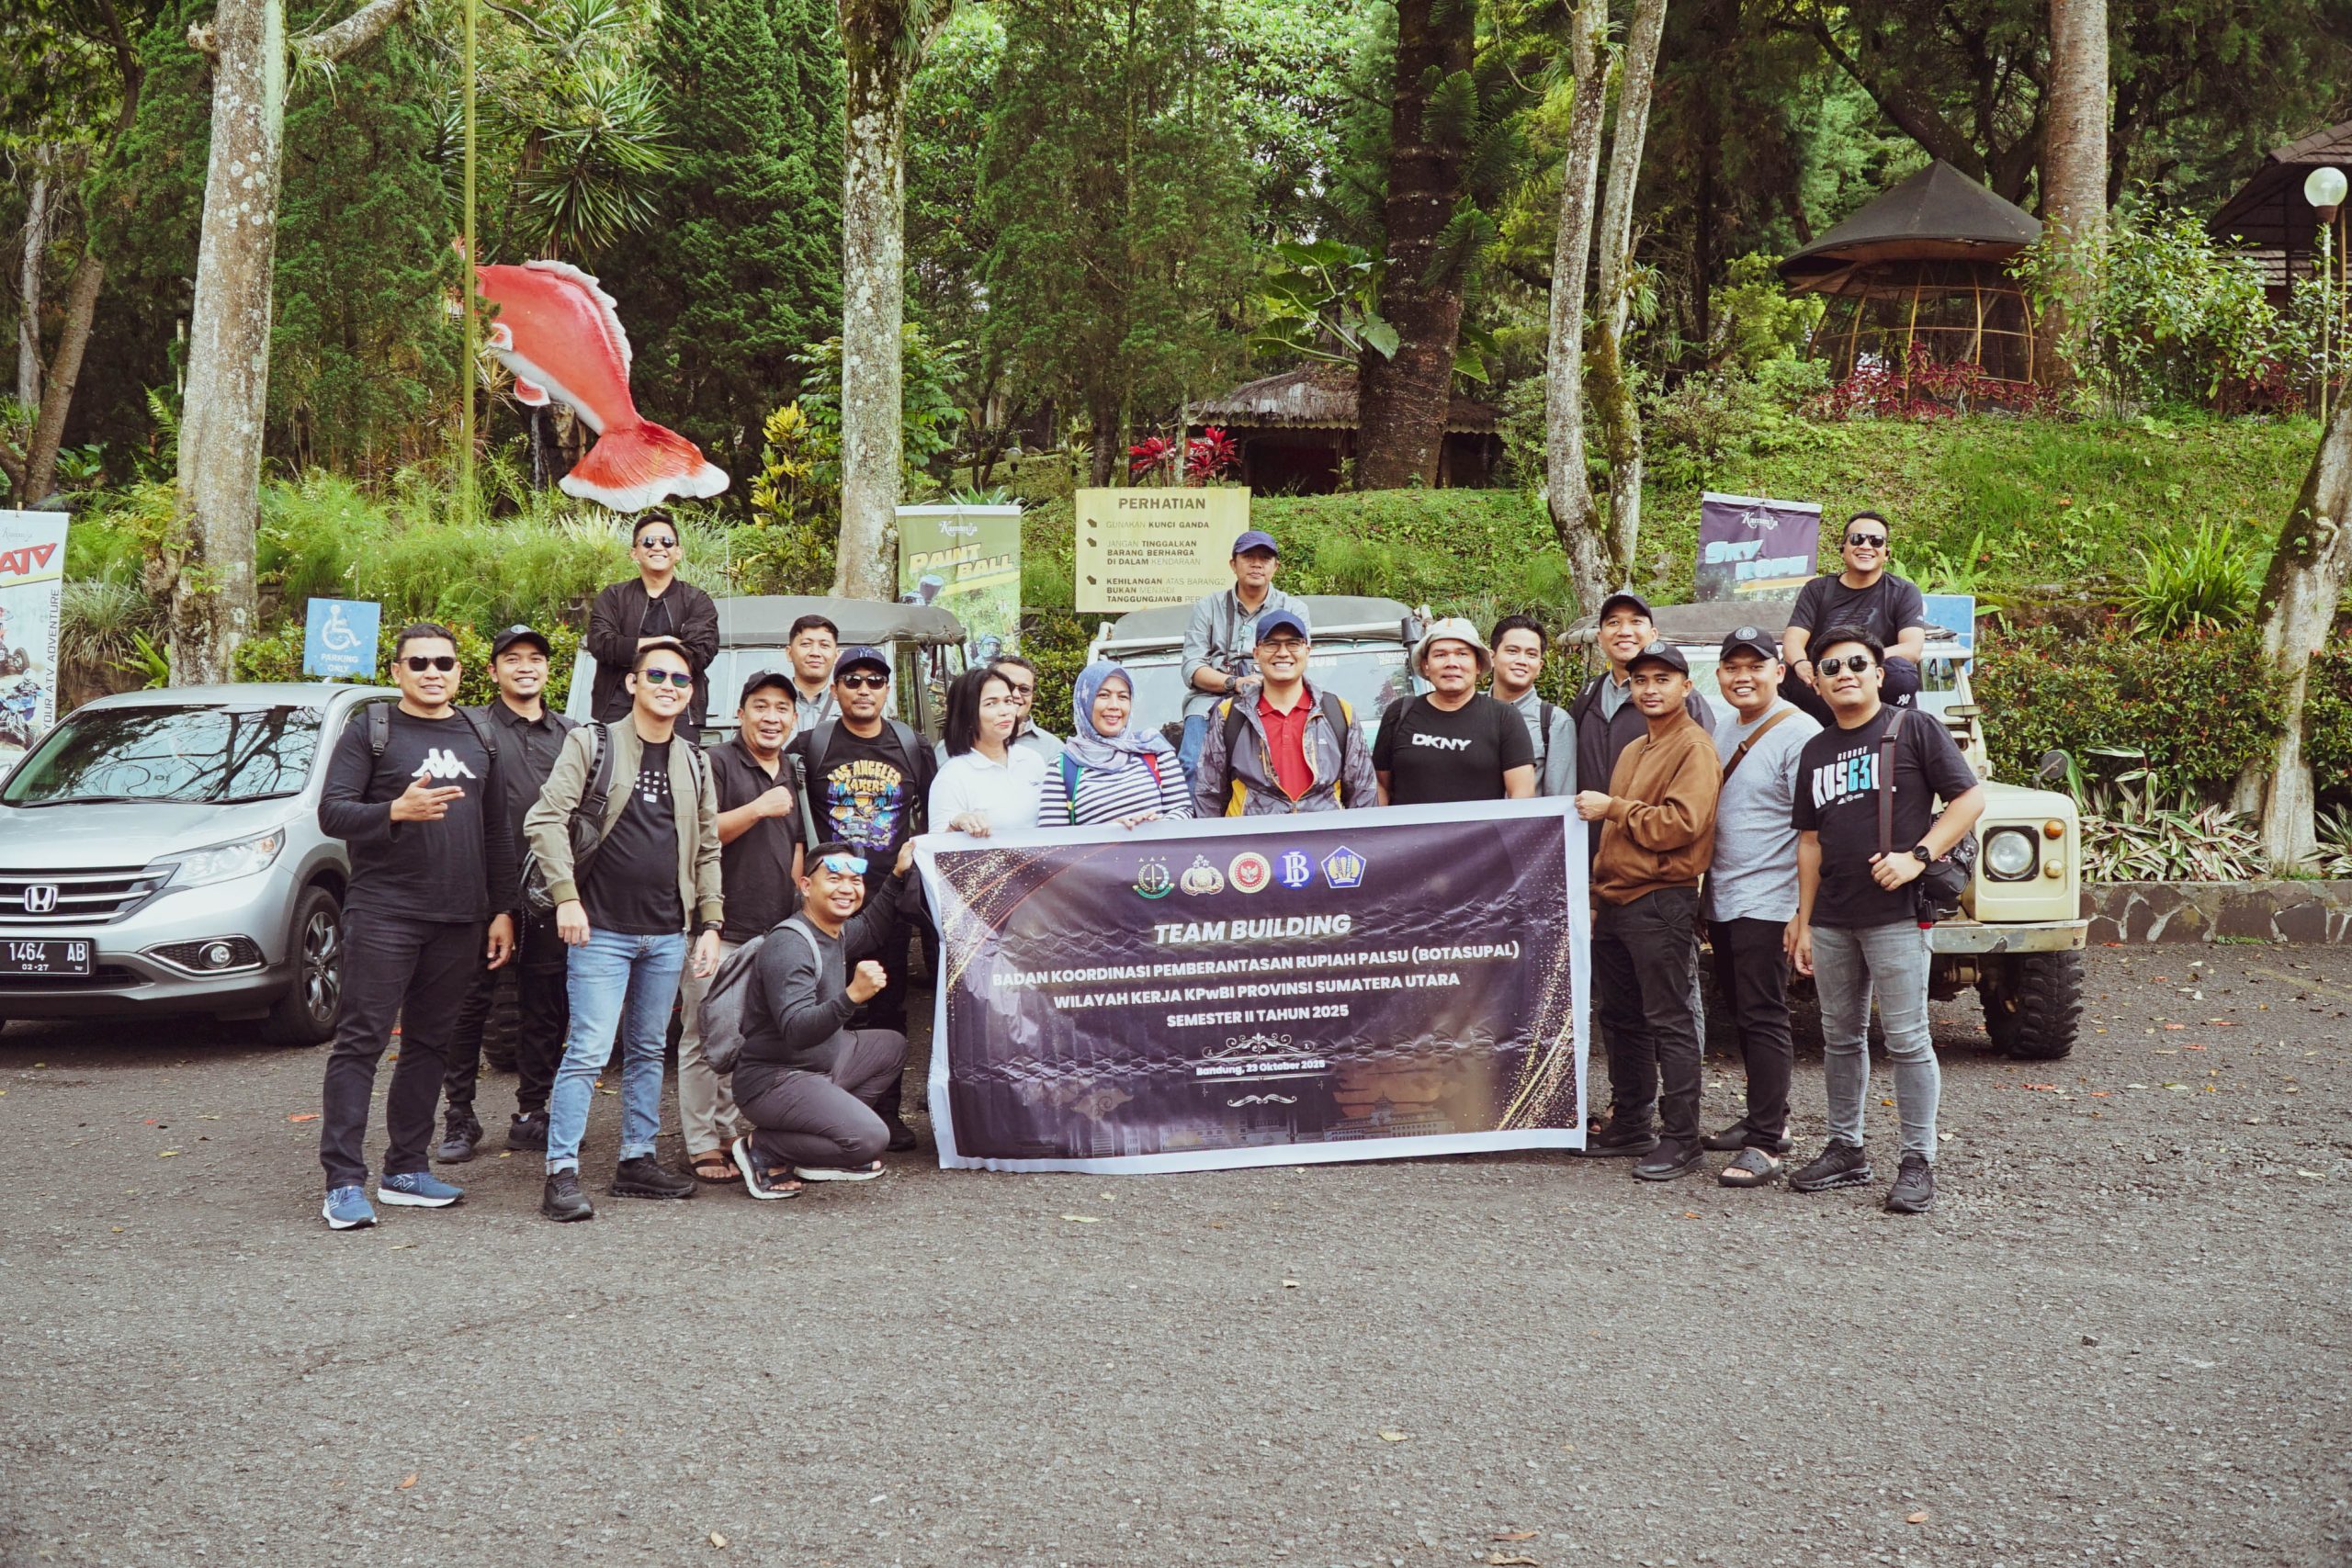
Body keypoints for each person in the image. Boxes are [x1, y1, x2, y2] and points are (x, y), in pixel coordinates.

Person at [315, 624, 516, 1229]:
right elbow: (332, 812)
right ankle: (343, 1181)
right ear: (397, 671)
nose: (433, 672)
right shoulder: (371, 730)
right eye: (419, 662)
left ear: (460, 672)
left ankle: (405, 1169)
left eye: (444, 663)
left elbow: (497, 832)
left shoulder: (481, 734)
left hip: (459, 917)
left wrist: (502, 910)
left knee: (430, 1044)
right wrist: (395, 811)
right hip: (385, 912)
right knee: (361, 1042)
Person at [1787, 625, 1985, 1215]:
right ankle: (1846, 1148)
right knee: (1840, 1037)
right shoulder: (1816, 751)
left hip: (1897, 913)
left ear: (1878, 674)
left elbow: (1969, 799)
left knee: (1907, 1039)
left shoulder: (1914, 727)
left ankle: (1917, 1160)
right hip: (1832, 917)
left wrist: (1918, 856)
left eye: (1856, 663)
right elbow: (1810, 842)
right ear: (1817, 683)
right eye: (1830, 667)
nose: (1843, 673)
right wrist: (1803, 919)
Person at [526, 637, 725, 1223]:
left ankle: (636, 1160)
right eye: (656, 675)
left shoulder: (696, 760)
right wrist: (567, 898)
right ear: (632, 683)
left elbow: (708, 848)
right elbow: (545, 819)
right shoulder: (593, 743)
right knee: (588, 1051)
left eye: (680, 680)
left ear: (691, 693)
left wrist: (710, 923)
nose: (668, 687)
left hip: (666, 933)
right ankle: (561, 1172)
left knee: (647, 1050)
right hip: (601, 930)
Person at [1573, 640, 1721, 1182]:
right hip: (1616, 899)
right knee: (1621, 1017)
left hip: (1661, 899)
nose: (1650, 689)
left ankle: (1682, 1138)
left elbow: (1682, 825)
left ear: (1686, 686)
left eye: (1663, 679)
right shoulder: (1635, 748)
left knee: (1669, 1019)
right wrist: (1595, 893)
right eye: (1640, 681)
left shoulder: (1694, 747)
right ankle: (1632, 1123)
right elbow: (1613, 838)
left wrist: (1614, 807)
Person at [435, 625, 576, 1163]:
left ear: (548, 669)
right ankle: (459, 1116)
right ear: (493, 671)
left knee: (546, 1002)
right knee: (469, 1003)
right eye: (512, 658)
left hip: (551, 888)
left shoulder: (572, 735)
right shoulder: (468, 729)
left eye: (535, 658)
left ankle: (533, 1111)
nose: (525, 666)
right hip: (480, 888)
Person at [788, 644, 935, 1146]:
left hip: (888, 898)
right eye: (853, 681)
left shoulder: (911, 745)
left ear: (887, 689)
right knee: (826, 1004)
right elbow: (793, 820)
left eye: (875, 680)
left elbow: (934, 815)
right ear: (835, 689)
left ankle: (885, 1111)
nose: (864, 689)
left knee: (888, 1003)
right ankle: (821, 1109)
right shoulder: (812, 744)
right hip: (827, 902)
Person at [1699, 626, 1821, 1188]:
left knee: (1764, 1015)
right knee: (1743, 1013)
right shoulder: (1724, 726)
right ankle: (1768, 1119)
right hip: (1725, 896)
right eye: (1732, 667)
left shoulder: (1801, 733)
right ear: (1719, 675)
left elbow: (1815, 832)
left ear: (1779, 671)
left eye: (1755, 666)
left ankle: (1767, 1144)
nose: (1742, 677)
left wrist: (1802, 914)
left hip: (1769, 901)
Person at [729, 839, 920, 1198]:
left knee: (890, 1046)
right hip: (775, 1079)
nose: (846, 888)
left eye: (855, 881)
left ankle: (820, 1146)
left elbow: (873, 926)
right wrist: (852, 996)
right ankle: (765, 1149)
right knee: (870, 1139)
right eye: (834, 879)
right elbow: (797, 1030)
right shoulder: (790, 944)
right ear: (806, 886)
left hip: (820, 1065)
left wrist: (896, 874)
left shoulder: (834, 931)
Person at [675, 671, 808, 1187]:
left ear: (794, 718)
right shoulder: (716, 762)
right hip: (717, 926)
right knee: (703, 1036)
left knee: (747, 1039)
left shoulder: (792, 770)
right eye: (760, 706)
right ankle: (701, 1143)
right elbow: (695, 834)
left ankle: (729, 1131)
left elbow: (794, 844)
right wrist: (756, 809)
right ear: (740, 712)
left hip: (772, 930)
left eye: (782, 708)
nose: (771, 717)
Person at [1568, 590, 1714, 856]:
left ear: (1653, 634)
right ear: (1600, 638)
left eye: (1636, 621)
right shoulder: (1588, 695)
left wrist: (1614, 810)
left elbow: (1698, 799)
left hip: (1656, 859)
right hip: (1593, 852)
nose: (1624, 631)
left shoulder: (1685, 702)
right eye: (1614, 622)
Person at [1192, 609, 1377, 818]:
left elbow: (1363, 794)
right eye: (1271, 644)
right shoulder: (1230, 715)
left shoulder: (1339, 712)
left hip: (1324, 835)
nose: (1282, 653)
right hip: (1252, 837)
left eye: (1293, 644)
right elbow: (1209, 795)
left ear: (1307, 651)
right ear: (1256, 653)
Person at [1177, 529, 1308, 783]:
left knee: (1283, 765)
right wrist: (1234, 683)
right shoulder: (1207, 607)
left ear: (1275, 567)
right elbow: (1192, 667)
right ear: (1233, 564)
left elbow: (1297, 661)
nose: (1257, 564)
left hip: (1274, 695)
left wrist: (1265, 685)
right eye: (1248, 557)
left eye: (1265, 558)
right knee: (1193, 764)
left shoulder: (1293, 609)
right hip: (1209, 699)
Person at [1780, 510, 1929, 725]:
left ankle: (1895, 731)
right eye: (1857, 539)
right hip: (1823, 684)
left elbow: (1911, 649)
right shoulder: (1817, 590)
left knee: (1901, 672)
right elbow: (1793, 640)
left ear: (1886, 553)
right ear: (1843, 549)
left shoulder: (1904, 592)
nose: (1866, 546)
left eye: (1876, 541)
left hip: (1873, 688)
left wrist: (1856, 662)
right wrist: (1801, 663)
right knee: (1783, 674)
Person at [585, 510, 720, 735]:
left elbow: (700, 652)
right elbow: (601, 644)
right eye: (648, 541)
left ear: (678, 552)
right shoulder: (613, 597)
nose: (658, 547)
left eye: (667, 542)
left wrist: (632, 645)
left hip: (679, 707)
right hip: (617, 706)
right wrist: (667, 641)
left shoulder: (697, 600)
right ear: (634, 553)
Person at [1374, 618, 1536, 806]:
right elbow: (1380, 785)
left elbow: (1522, 795)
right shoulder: (1400, 712)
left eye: (1462, 654)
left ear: (1478, 665)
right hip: (1408, 826)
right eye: (1440, 655)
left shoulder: (1505, 717)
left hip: (1481, 826)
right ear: (1426, 665)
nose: (1451, 663)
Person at [1038, 662, 1192, 827]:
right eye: (1103, 695)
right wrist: (1110, 832)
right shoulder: (1062, 767)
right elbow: (1053, 837)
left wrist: (1154, 825)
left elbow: (1184, 810)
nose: (1114, 705)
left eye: (1123, 697)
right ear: (1084, 700)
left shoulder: (1153, 748)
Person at [931, 665, 1046, 837]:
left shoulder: (1032, 760)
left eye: (1008, 701)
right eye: (991, 703)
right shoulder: (952, 776)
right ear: (967, 715)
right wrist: (956, 824)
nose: (1005, 711)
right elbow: (936, 846)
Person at [1489, 614, 1575, 796]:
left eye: (1531, 654)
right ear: (1492, 657)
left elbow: (1559, 801)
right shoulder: (1469, 711)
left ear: (1540, 666)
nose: (1522, 661)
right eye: (1512, 651)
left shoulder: (1555, 722)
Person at [991, 654, 1067, 764]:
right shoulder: (968, 739)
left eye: (1024, 689)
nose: (1016, 694)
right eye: (1008, 686)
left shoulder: (1053, 748)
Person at [783, 615, 841, 732]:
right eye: (806, 644)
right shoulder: (770, 703)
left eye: (824, 645)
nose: (815, 653)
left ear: (836, 656)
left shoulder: (848, 705)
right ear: (789, 653)